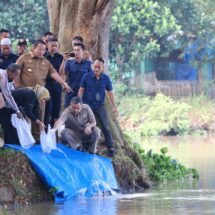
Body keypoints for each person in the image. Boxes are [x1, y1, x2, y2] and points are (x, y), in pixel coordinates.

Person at [15, 39, 71, 126]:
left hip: (39, 94)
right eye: (40, 49)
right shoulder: (23, 58)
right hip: (25, 93)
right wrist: (17, 87)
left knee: (40, 118)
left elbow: (54, 74)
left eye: (44, 50)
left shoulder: (46, 62)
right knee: (25, 120)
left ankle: (39, 137)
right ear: (33, 48)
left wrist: (64, 83)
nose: (42, 51)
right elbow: (16, 73)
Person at [78, 58, 118, 157]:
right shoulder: (86, 77)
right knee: (86, 126)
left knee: (106, 126)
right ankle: (86, 147)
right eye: (94, 66)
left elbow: (110, 93)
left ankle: (111, 148)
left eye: (98, 67)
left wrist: (115, 107)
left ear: (103, 68)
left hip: (100, 105)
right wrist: (80, 104)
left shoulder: (106, 79)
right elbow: (81, 91)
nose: (96, 69)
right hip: (87, 106)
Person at [64, 43, 93, 108]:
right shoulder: (69, 63)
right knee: (67, 112)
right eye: (74, 50)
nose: (76, 52)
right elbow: (64, 75)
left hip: (84, 94)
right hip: (71, 92)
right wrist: (65, 85)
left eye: (78, 50)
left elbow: (91, 78)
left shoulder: (88, 64)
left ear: (83, 52)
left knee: (83, 113)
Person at [0, 64, 23, 144]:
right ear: (10, 71)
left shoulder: (3, 74)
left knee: (2, 103)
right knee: (2, 104)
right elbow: (8, 95)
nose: (15, 77)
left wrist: (16, 109)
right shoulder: (2, 77)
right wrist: (17, 110)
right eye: (15, 75)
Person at [44, 37, 63, 126]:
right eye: (52, 46)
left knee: (57, 108)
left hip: (57, 86)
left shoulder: (60, 57)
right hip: (46, 85)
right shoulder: (44, 57)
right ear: (47, 46)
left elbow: (62, 72)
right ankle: (45, 129)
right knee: (48, 108)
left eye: (56, 46)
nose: (54, 48)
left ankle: (54, 130)